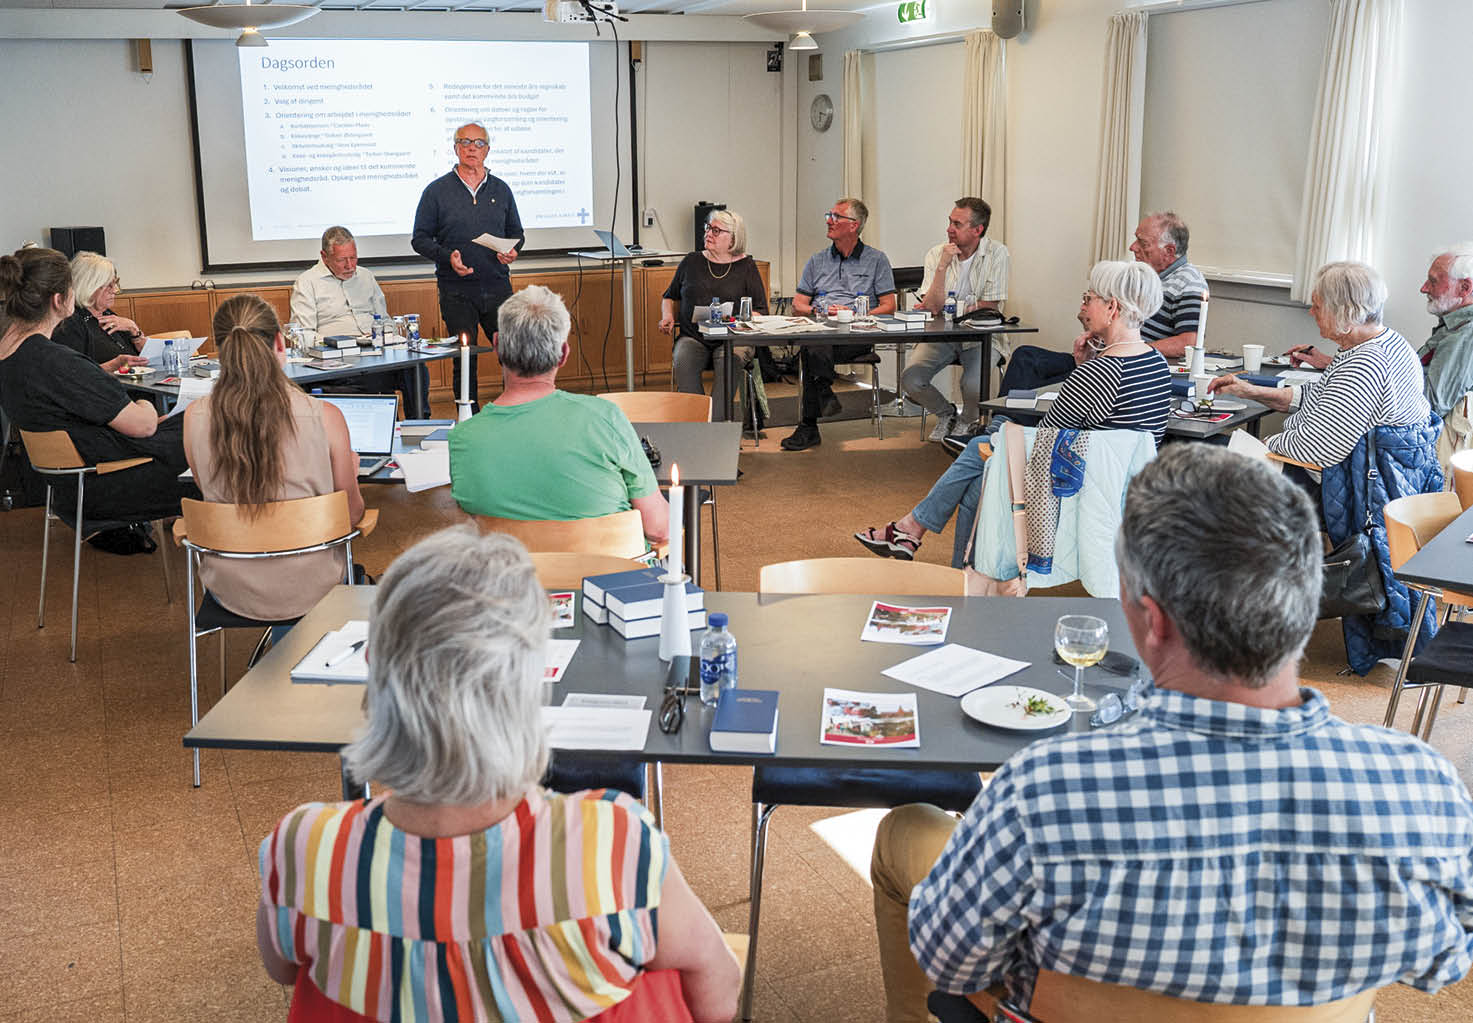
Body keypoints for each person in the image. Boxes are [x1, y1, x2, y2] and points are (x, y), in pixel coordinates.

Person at [869, 444, 1473, 1023]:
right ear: (1308, 595)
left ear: (1151, 621)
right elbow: (1444, 961)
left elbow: (951, 960)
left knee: (907, 829)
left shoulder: (1044, 791)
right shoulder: (1418, 787)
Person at [256, 526, 741, 1022]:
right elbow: (718, 985)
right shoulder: (612, 845)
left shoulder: (304, 849)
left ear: (375, 669)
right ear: (529, 683)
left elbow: (285, 969)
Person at [856, 261, 1170, 567]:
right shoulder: (1156, 363)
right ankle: (925, 542)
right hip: (1122, 486)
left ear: (1112, 308)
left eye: (1089, 299)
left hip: (1075, 490)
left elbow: (1044, 448)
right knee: (983, 472)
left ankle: (922, 539)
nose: (1084, 307)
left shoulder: (1098, 373)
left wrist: (1002, 437)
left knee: (991, 449)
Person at [182, 294, 366, 622]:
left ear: (221, 350)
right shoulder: (324, 416)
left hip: (231, 588)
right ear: (280, 343)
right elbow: (352, 516)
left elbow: (204, 487)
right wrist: (347, 472)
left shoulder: (194, 417)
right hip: (316, 584)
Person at [448, 285, 669, 542]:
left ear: (496, 345)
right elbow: (659, 529)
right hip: (612, 578)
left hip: (512, 579)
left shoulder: (463, 438)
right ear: (563, 354)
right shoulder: (604, 417)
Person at [0, 246, 194, 522]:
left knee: (197, 422)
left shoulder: (11, 355)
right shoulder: (55, 361)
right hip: (107, 483)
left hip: (71, 481)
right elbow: (144, 425)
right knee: (213, 426)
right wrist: (145, 406)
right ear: (58, 300)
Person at [1210, 261, 1430, 472]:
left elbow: (1317, 448)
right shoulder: (1390, 343)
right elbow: (1320, 396)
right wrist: (1250, 391)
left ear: (1345, 312)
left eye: (1318, 306)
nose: (1311, 312)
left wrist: (1263, 444)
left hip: (1336, 484)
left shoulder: (1366, 364)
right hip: (1360, 471)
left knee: (1203, 455)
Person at [994, 211, 1207, 401]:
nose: (1133, 247)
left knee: (1035, 389)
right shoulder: (1140, 276)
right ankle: (1000, 426)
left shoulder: (1188, 282)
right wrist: (1092, 322)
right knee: (1026, 357)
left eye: (1142, 243)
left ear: (1169, 250)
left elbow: (1188, 342)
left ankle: (1002, 431)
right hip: (1103, 358)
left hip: (1125, 369)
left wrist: (1128, 349)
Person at [412, 121, 524, 414]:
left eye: (478, 143)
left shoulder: (501, 189)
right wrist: (447, 256)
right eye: (465, 142)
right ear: (455, 148)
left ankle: (517, 412)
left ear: (487, 150)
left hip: (498, 287)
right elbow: (420, 239)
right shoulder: (436, 191)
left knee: (514, 354)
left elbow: (517, 233)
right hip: (456, 290)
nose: (472, 148)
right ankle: (469, 418)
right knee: (465, 357)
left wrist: (512, 252)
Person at [782, 197, 897, 451]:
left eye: (836, 217)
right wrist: (818, 310)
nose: (829, 221)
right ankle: (822, 391)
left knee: (810, 350)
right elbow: (798, 304)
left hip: (856, 333)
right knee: (813, 343)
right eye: (829, 215)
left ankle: (809, 426)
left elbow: (889, 305)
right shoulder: (817, 260)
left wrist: (856, 315)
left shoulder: (877, 260)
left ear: (853, 225)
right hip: (822, 328)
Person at [901, 198, 1009, 442]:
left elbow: (991, 305)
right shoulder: (936, 253)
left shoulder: (997, 254)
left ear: (977, 230)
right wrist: (942, 267)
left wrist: (952, 307)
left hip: (981, 337)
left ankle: (968, 419)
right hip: (942, 335)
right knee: (911, 379)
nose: (949, 228)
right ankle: (946, 413)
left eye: (957, 224)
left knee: (973, 385)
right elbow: (932, 306)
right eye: (950, 221)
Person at [289, 225, 421, 407]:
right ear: (324, 256)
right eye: (342, 260)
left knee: (415, 367)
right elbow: (303, 335)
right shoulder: (307, 283)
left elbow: (384, 320)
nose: (350, 266)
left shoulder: (366, 276)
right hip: (338, 358)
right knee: (366, 380)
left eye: (353, 257)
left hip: (375, 351)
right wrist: (338, 343)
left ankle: (417, 424)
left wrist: (388, 335)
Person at [660, 208, 767, 419]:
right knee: (682, 359)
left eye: (717, 230)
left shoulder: (747, 266)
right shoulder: (691, 261)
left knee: (729, 361)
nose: (709, 233)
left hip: (733, 338)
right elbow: (668, 296)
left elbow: (760, 310)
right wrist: (668, 316)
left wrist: (738, 322)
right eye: (708, 228)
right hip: (694, 337)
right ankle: (697, 422)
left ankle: (717, 428)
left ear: (733, 239)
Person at [50, 251, 150, 370]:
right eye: (108, 284)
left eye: (115, 283)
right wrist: (114, 366)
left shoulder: (108, 314)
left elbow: (144, 357)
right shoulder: (70, 324)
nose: (114, 290)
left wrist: (133, 329)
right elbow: (74, 375)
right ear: (88, 285)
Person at [1414, 245, 1473, 419]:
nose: (1424, 288)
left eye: (1433, 281)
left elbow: (1429, 407)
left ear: (1464, 288)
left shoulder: (1465, 335)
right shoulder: (1455, 327)